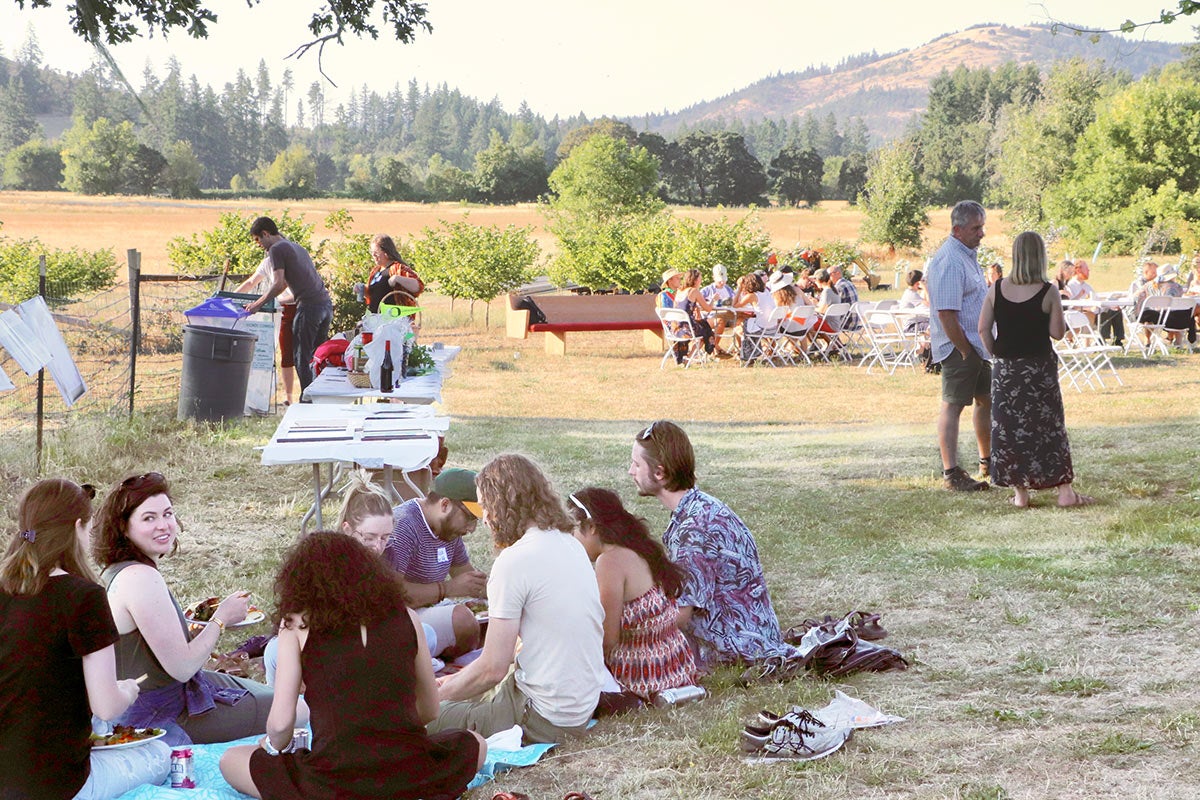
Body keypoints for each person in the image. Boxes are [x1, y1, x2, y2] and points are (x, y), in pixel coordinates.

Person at [219, 533, 485, 800]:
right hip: (410, 771)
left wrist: (274, 749)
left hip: (333, 781)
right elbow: (429, 709)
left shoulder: (298, 624)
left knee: (231, 759)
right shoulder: (408, 617)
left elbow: (279, 725)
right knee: (477, 743)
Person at [93, 472, 302, 745]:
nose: (164, 525)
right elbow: (182, 668)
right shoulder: (140, 578)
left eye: (167, 514)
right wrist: (221, 619)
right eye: (149, 518)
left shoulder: (116, 570)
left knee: (280, 700)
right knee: (298, 711)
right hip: (162, 714)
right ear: (123, 527)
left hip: (172, 694)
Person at [1, 479, 170, 800]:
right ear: (78, 526)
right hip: (55, 783)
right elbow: (106, 708)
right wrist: (127, 691)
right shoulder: (84, 597)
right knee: (161, 753)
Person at [428, 455, 606, 743]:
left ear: (501, 507)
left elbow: (492, 668)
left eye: (485, 508)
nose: (484, 519)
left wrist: (436, 699)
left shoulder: (514, 561)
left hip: (542, 718)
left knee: (425, 719)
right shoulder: (570, 543)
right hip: (580, 708)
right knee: (461, 689)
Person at [629, 420, 797, 669]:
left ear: (660, 473)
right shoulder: (703, 506)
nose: (631, 471)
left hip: (737, 653)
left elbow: (682, 614)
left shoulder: (693, 530)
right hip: (758, 637)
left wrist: (626, 637)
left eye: (636, 464)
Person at [978, 232, 1093, 509]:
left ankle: (1021, 494)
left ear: (1016, 256)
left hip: (1006, 370)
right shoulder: (1048, 290)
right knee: (1049, 427)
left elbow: (983, 328)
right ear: (1040, 256)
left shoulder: (997, 288)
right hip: (1038, 368)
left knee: (1009, 428)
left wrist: (999, 355)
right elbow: (1057, 333)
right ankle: (1064, 492)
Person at [263, 471, 403, 684]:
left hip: (364, 642)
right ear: (348, 529)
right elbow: (297, 614)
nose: (378, 546)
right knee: (275, 651)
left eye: (385, 537)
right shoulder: (323, 557)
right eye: (369, 537)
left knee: (425, 633)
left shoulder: (388, 558)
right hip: (321, 637)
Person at [567, 487, 699, 701]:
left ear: (591, 527)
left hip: (641, 673)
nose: (571, 540)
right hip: (675, 666)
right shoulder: (637, 548)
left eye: (572, 531)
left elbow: (607, 640)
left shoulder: (609, 562)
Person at [384, 468, 487, 659]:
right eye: (470, 517)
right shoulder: (404, 526)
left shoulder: (449, 530)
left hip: (428, 610)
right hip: (397, 618)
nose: (472, 528)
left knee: (493, 623)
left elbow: (469, 577)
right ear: (445, 505)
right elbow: (392, 595)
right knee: (463, 622)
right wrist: (446, 589)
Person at [927, 200, 992, 492]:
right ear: (958, 229)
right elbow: (946, 313)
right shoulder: (950, 260)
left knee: (987, 400)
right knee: (953, 406)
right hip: (961, 347)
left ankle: (989, 461)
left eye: (982, 227)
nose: (982, 233)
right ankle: (951, 473)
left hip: (976, 346)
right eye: (976, 228)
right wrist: (964, 349)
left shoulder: (966, 255)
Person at [243, 217, 333, 394]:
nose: (258, 244)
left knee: (301, 357)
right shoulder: (295, 247)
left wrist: (257, 304)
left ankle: (307, 400)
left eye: (257, 239)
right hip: (325, 305)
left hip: (309, 307)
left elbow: (277, 284)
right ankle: (323, 394)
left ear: (265, 234)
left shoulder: (276, 249)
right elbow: (284, 284)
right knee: (319, 356)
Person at [235, 255, 297, 407]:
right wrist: (231, 297)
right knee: (286, 354)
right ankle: (289, 398)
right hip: (282, 310)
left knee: (304, 354)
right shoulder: (267, 262)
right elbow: (251, 282)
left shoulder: (291, 262)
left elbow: (296, 293)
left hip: (299, 307)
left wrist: (271, 301)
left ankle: (307, 394)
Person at [365, 233, 424, 313]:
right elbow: (375, 295)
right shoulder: (376, 271)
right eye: (372, 252)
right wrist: (363, 289)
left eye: (376, 252)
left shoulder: (398, 268)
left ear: (386, 252)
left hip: (393, 320)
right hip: (376, 319)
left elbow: (418, 286)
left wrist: (397, 278)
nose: (373, 255)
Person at [677, 268, 725, 359]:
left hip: (676, 327)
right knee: (706, 331)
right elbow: (708, 309)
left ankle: (715, 350)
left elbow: (685, 306)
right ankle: (692, 356)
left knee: (704, 325)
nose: (701, 280)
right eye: (700, 278)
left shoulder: (680, 291)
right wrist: (713, 300)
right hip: (687, 327)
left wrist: (696, 307)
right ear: (695, 280)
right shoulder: (694, 291)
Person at [701, 263, 736, 339]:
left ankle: (742, 348)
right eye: (720, 281)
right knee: (721, 321)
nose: (722, 283)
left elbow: (735, 299)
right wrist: (712, 301)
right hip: (714, 316)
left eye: (724, 280)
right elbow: (699, 303)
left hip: (729, 315)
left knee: (741, 323)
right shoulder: (707, 290)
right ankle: (715, 346)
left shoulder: (728, 289)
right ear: (714, 278)